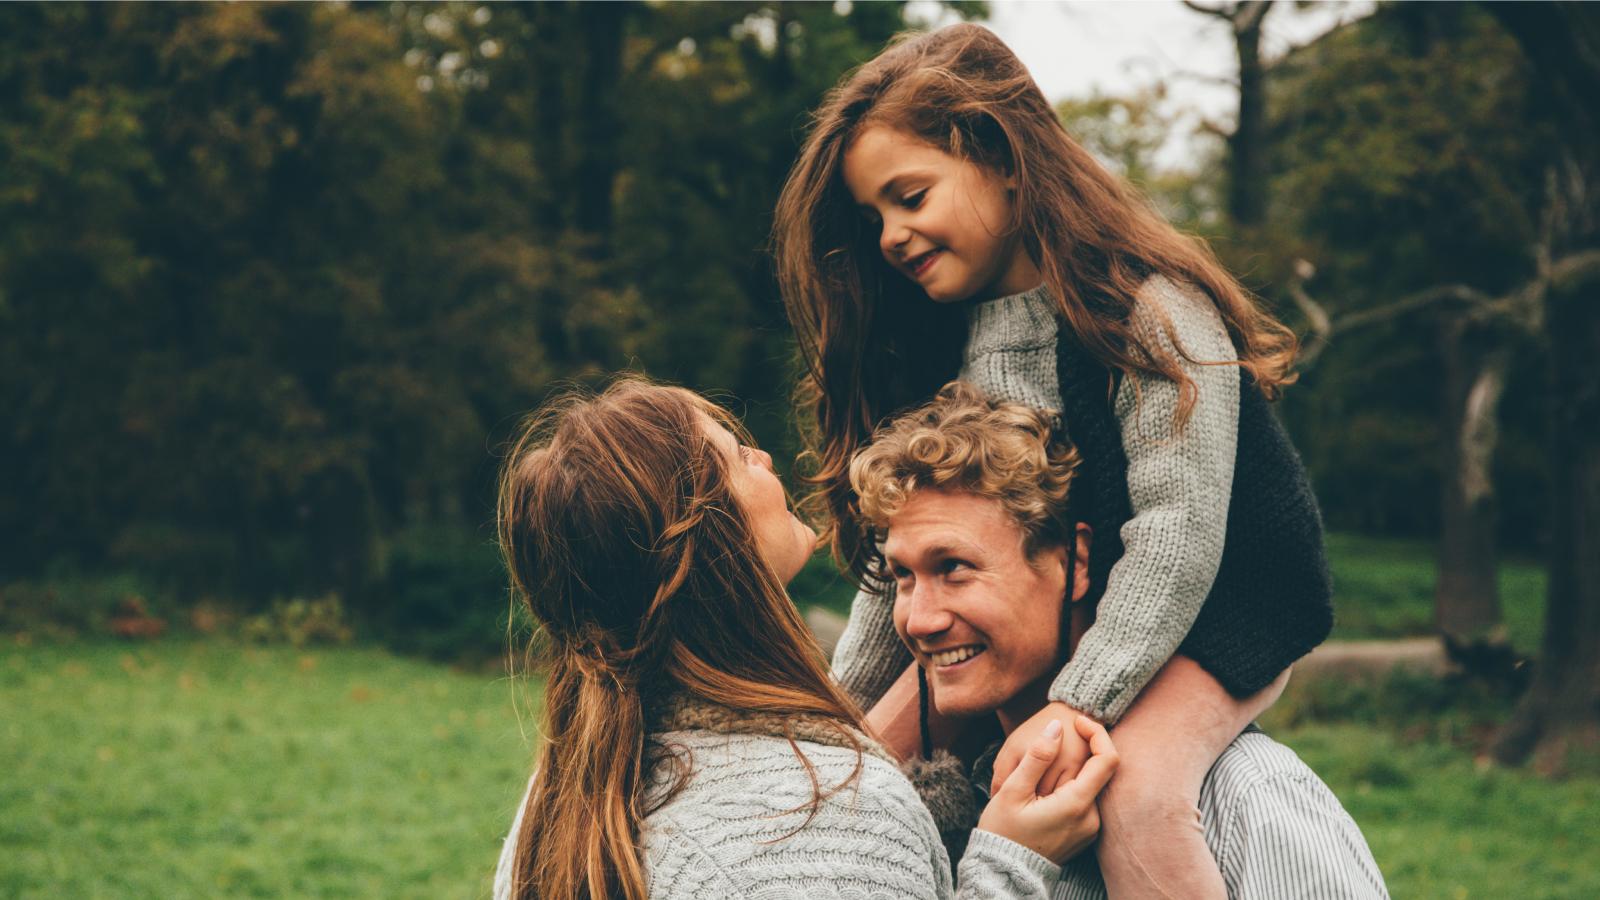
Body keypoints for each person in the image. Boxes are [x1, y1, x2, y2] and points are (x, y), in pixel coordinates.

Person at [772, 23, 1334, 897]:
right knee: (860, 768)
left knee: (1138, 794)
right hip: (1071, 611)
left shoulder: (1144, 314)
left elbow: (1176, 540)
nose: (891, 234)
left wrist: (1080, 705)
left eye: (910, 196)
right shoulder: (938, 345)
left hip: (1225, 610)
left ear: (1000, 156)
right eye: (875, 216)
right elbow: (901, 568)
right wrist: (835, 716)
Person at [490, 377, 1119, 900]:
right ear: (714, 537)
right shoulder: (819, 814)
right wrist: (1010, 865)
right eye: (737, 454)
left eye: (952, 566)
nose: (763, 457)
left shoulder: (566, 790)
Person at [852, 384, 1388, 899]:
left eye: (954, 568)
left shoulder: (1248, 800)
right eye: (903, 576)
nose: (919, 621)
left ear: (1075, 563)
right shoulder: (941, 815)